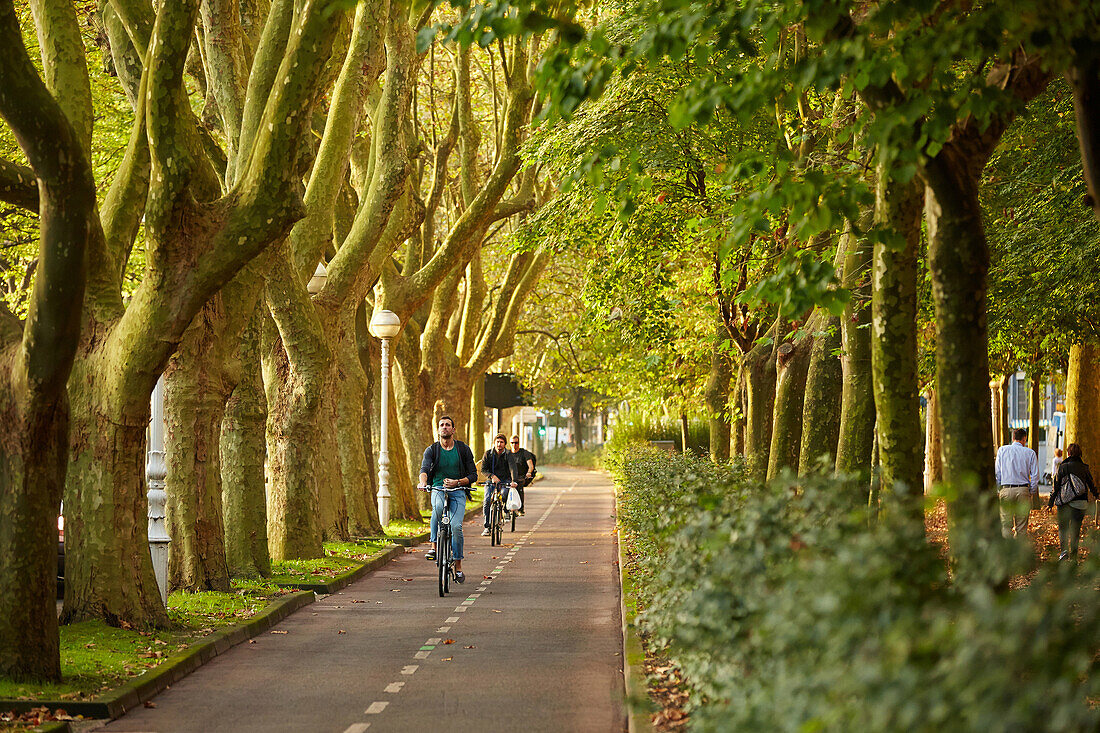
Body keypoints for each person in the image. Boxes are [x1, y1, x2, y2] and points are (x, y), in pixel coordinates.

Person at [418, 416, 477, 583]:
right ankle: (434, 547)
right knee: (437, 509)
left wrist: (457, 482)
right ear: (438, 430)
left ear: (453, 429)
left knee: (456, 526)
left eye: (447, 425)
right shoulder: (432, 450)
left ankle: (458, 567)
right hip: (438, 489)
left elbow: (473, 475)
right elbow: (424, 470)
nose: (444, 427)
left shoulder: (463, 449)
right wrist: (423, 483)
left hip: (458, 491)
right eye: (441, 425)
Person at [1047, 443, 1098, 561]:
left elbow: (1056, 487)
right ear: (1080, 454)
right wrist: (1097, 495)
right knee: (1076, 529)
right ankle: (1074, 556)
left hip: (1064, 503)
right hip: (1080, 504)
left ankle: (1064, 552)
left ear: (1068, 453)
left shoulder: (1063, 467)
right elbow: (1091, 485)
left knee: (1063, 527)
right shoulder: (1085, 467)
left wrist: (1050, 503)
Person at [995, 427, 1040, 541]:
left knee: (1006, 525)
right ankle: (1019, 554)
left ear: (1013, 438)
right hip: (1023, 490)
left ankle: (1008, 551)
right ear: (1024, 439)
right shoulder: (1030, 453)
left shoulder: (1002, 450)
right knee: (1021, 526)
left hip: (1006, 488)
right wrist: (1031, 491)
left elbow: (997, 473)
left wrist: (999, 489)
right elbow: (1035, 475)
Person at [480, 434, 516, 536]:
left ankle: (505, 510)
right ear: (494, 443)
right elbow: (483, 469)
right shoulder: (488, 454)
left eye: (501, 442)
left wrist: (514, 480)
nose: (499, 444)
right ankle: (487, 526)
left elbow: (513, 468)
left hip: (505, 480)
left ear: (505, 444)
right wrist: (491, 476)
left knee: (504, 494)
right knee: (487, 500)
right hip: (491, 481)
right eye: (497, 442)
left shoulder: (508, 455)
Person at [507, 435, 536, 515]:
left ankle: (521, 508)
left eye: (516, 443)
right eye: (512, 443)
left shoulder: (524, 453)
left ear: (519, 443)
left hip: (520, 476)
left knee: (519, 488)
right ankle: (504, 508)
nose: (514, 445)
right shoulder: (507, 453)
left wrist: (529, 472)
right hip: (509, 477)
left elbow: (530, 465)